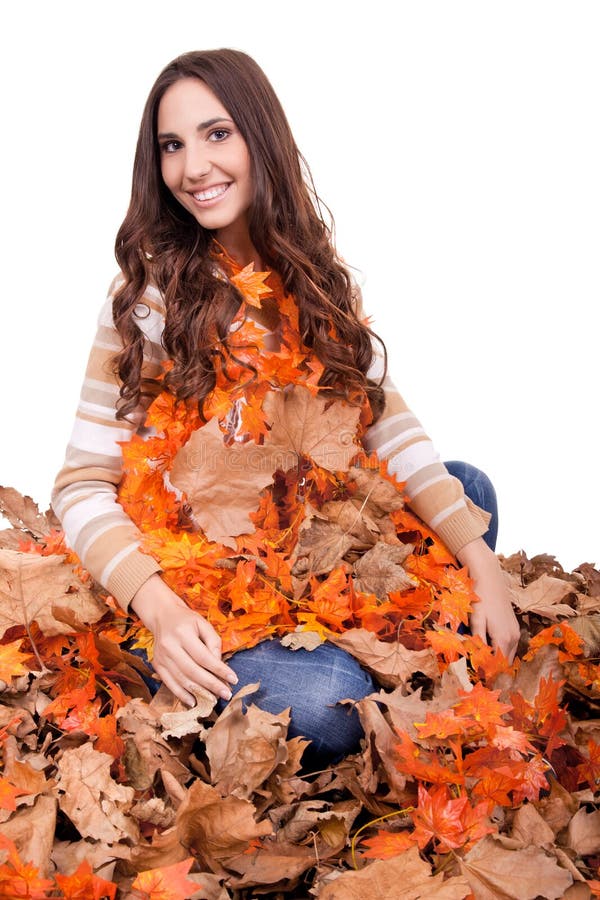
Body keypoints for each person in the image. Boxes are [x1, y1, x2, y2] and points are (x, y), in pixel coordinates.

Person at [52, 49, 520, 769]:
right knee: (331, 702)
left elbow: (388, 425)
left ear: (260, 138)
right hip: (196, 591)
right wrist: (160, 607)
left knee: (471, 489)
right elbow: (80, 486)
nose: (193, 168)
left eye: (216, 134)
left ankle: (356, 643)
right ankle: (213, 673)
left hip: (300, 555)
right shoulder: (148, 303)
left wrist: (482, 563)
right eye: (172, 147)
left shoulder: (315, 278)